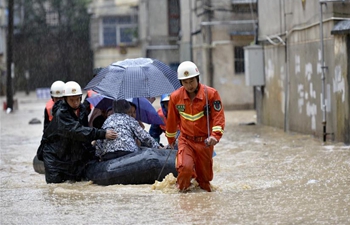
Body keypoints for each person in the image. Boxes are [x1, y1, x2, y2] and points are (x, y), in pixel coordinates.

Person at [38, 81, 117, 183]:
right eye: (72, 100)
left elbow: (84, 139)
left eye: (78, 99)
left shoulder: (82, 110)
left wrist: (94, 154)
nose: (75, 103)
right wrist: (103, 133)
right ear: (65, 99)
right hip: (54, 158)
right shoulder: (61, 114)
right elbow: (78, 131)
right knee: (56, 189)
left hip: (71, 156)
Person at [165, 61, 225, 192]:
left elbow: (218, 118)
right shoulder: (175, 97)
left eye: (191, 81)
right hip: (186, 140)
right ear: (181, 83)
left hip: (205, 143)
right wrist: (170, 140)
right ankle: (182, 195)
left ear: (197, 78)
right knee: (184, 168)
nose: (189, 85)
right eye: (185, 82)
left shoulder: (211, 94)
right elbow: (171, 121)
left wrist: (215, 136)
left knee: (205, 183)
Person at [95, 99, 160, 161]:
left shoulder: (107, 121)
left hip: (109, 155)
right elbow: (145, 137)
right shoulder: (129, 119)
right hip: (129, 153)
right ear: (126, 109)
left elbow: (100, 140)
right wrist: (158, 147)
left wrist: (98, 155)